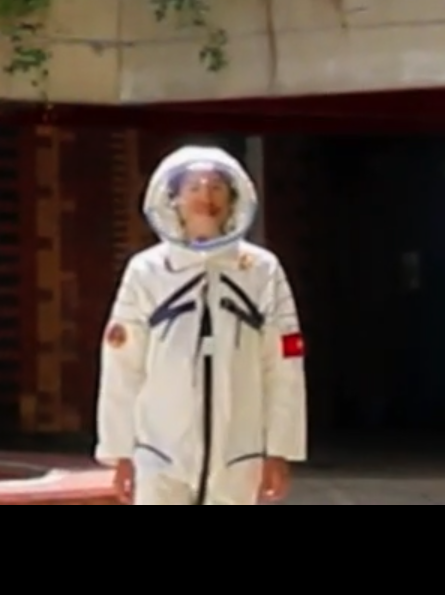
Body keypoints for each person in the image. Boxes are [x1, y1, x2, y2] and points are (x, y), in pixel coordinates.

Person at [94, 145, 306, 505]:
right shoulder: (147, 272)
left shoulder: (261, 270)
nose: (205, 197)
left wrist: (279, 450)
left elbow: (283, 366)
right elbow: (122, 367)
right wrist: (120, 453)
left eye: (216, 188)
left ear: (234, 199)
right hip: (160, 453)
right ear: (173, 199)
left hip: (239, 455)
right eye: (193, 188)